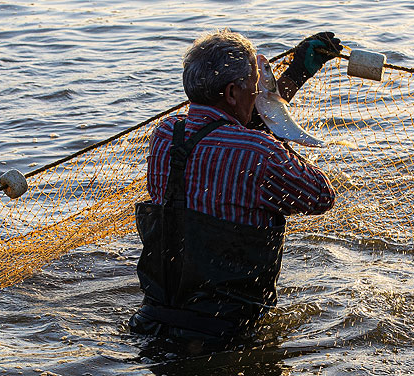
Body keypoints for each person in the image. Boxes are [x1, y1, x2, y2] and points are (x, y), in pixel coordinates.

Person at [130, 29, 340, 344]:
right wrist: (277, 122)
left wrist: (290, 80)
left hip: (153, 321)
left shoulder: (165, 135)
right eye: (255, 88)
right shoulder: (260, 152)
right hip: (224, 333)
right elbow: (321, 195)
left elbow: (224, 138)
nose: (258, 96)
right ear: (231, 93)